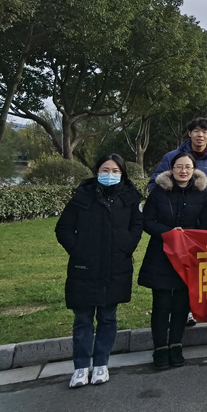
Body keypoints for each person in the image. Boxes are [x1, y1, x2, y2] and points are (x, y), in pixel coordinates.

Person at [55, 154, 144, 388]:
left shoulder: (131, 198)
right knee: (83, 318)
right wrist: (78, 250)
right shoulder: (82, 196)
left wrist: (126, 246)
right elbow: (63, 228)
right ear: (96, 172)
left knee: (107, 317)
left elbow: (137, 226)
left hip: (116, 266)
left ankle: (101, 364)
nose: (110, 175)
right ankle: (81, 367)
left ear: (123, 174)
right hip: (85, 266)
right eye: (105, 170)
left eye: (115, 171)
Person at [139, 152, 207, 370]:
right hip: (161, 254)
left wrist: (190, 236)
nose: (183, 170)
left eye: (188, 167)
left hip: (187, 255)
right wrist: (169, 233)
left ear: (194, 170)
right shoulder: (159, 192)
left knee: (181, 303)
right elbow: (147, 221)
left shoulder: (201, 193)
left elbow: (206, 223)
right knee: (161, 303)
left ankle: (176, 345)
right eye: (179, 166)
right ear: (171, 169)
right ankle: (160, 348)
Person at [148, 117, 207, 207]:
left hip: (202, 212)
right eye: (196, 131)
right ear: (189, 133)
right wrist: (167, 206)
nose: (200, 135)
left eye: (205, 132)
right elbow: (155, 183)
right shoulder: (170, 157)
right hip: (172, 211)